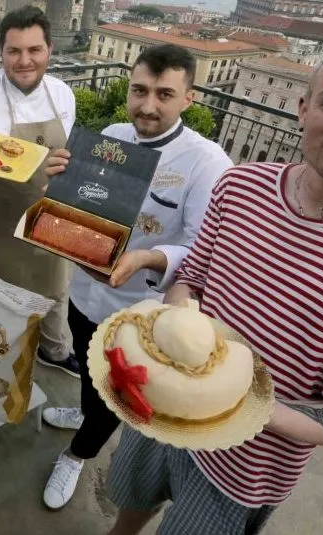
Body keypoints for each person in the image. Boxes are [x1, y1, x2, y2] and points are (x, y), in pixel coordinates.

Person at [107, 37, 323, 535]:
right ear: (304, 109)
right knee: (129, 502)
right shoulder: (239, 186)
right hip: (158, 409)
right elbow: (193, 279)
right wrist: (174, 345)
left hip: (246, 465)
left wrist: (226, 402)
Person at [38, 44, 234, 511]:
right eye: (139, 90)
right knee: (90, 367)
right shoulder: (112, 135)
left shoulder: (207, 163)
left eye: (164, 94)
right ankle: (84, 412)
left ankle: (77, 454)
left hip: (139, 310)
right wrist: (59, 184)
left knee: (118, 392)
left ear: (189, 97)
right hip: (86, 289)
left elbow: (205, 247)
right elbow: (87, 204)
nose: (147, 106)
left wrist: (148, 258)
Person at [0, 6, 78, 376]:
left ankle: (53, 350)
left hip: (48, 220)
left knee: (55, 292)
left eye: (34, 50)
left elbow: (65, 154)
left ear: (50, 50)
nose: (25, 61)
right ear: (1, 53)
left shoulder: (62, 95)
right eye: (14, 51)